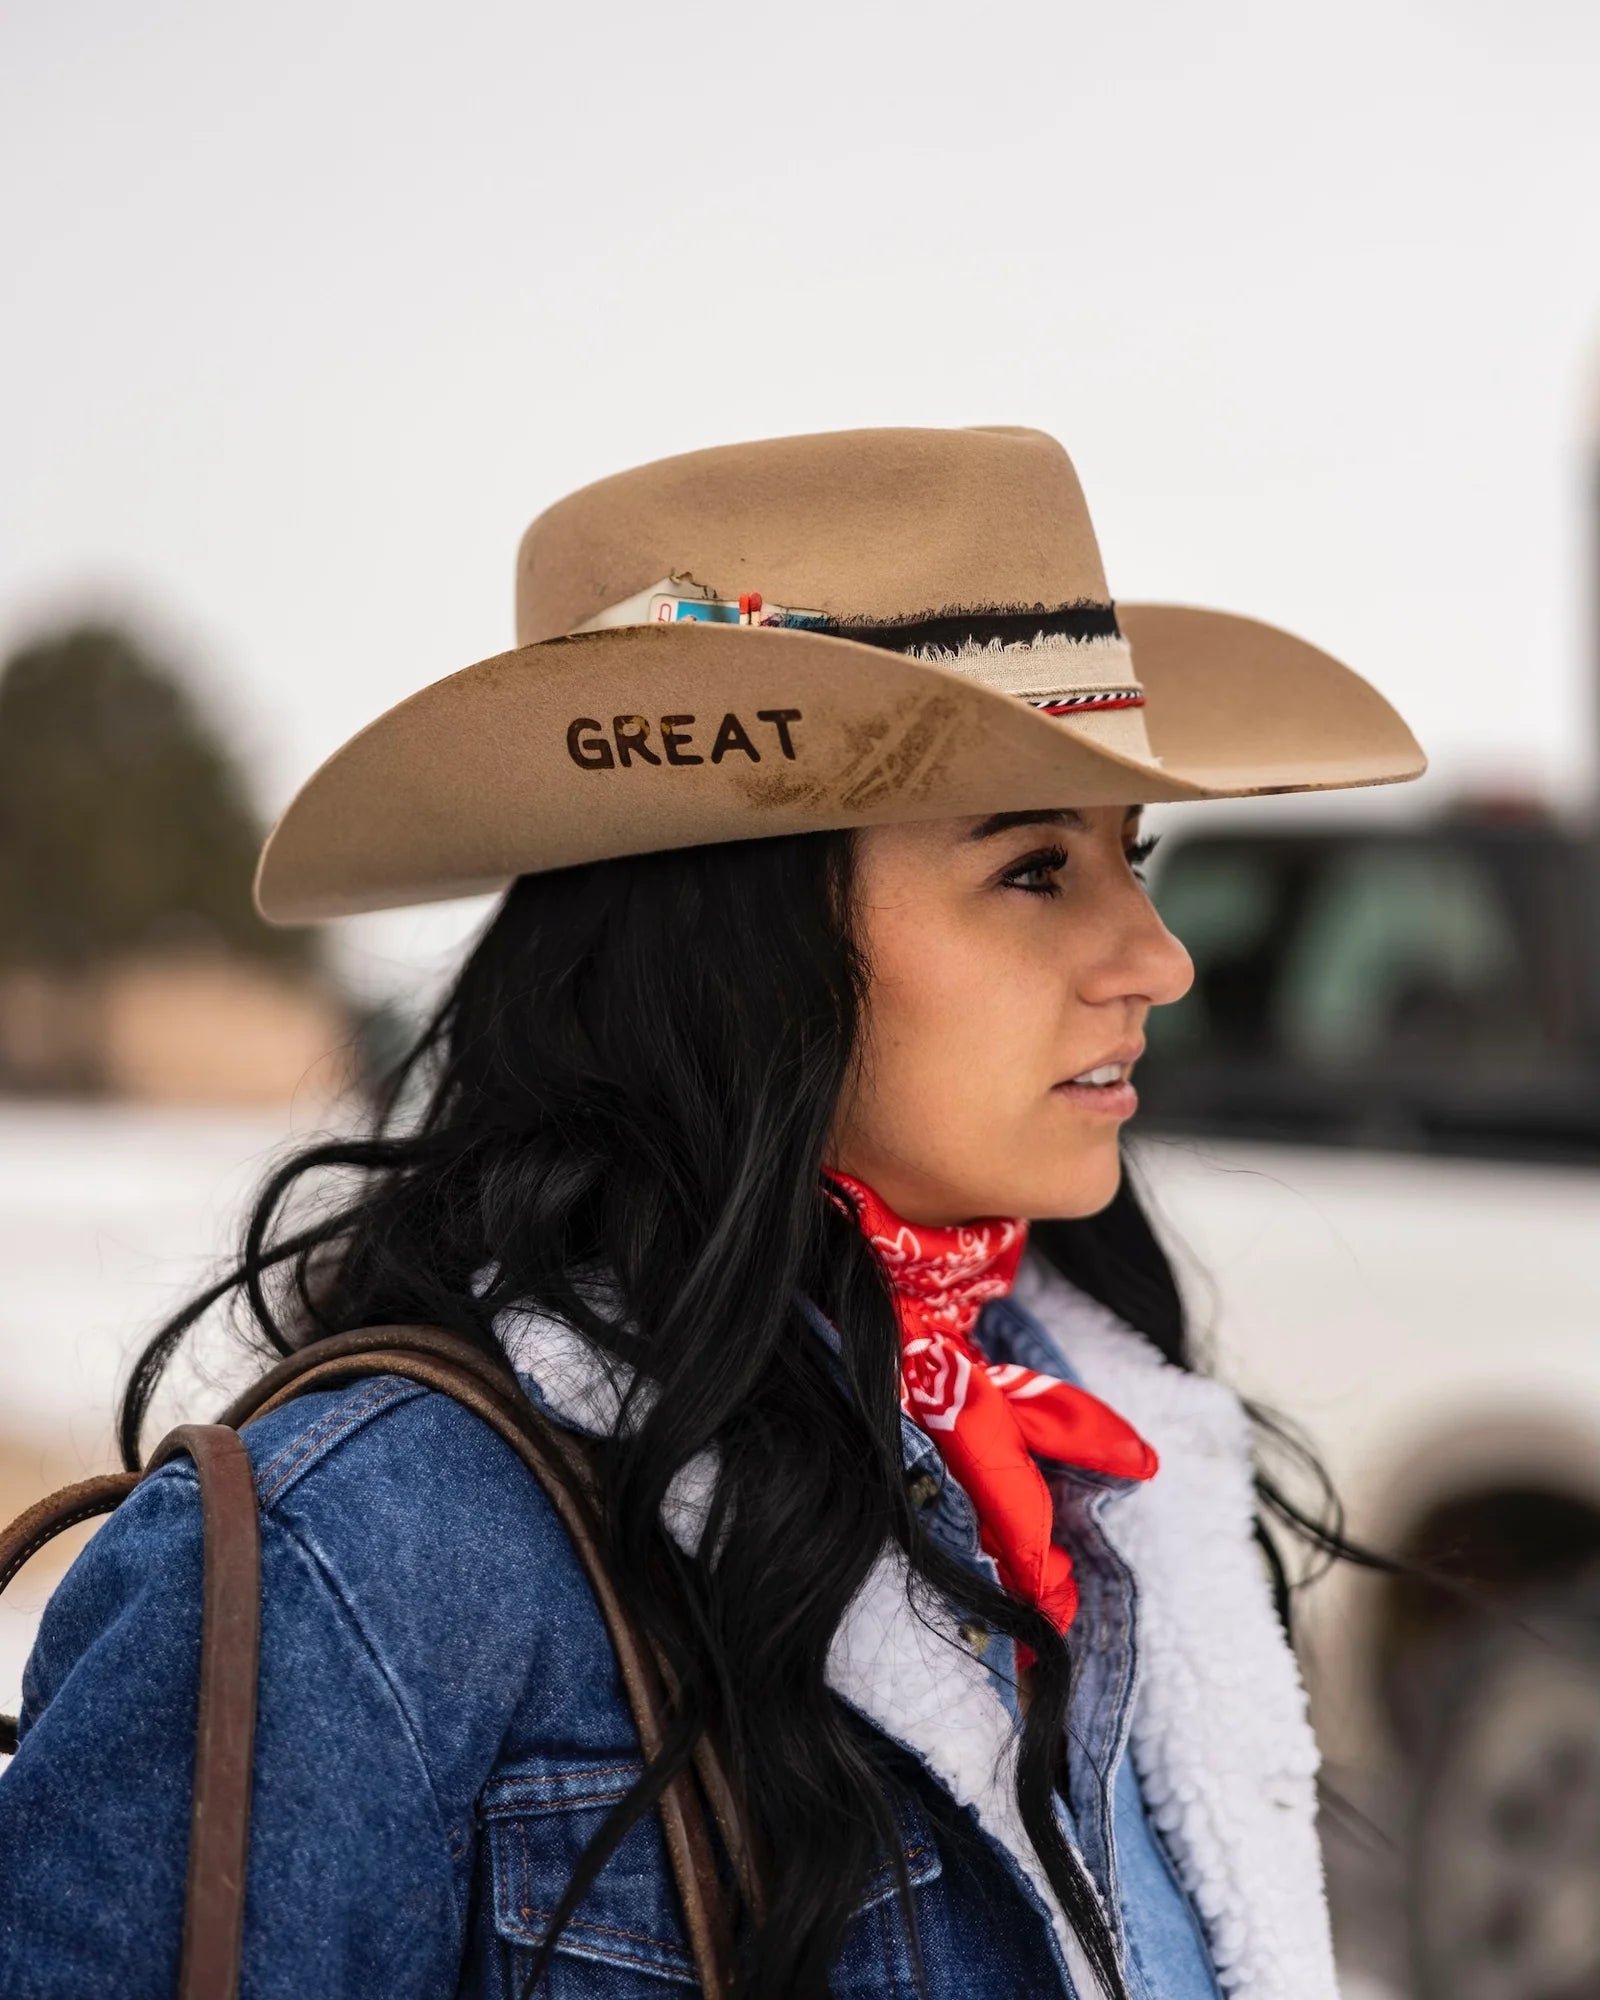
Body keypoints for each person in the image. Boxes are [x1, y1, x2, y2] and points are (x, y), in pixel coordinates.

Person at [0, 425, 1426, 2000]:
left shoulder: (1091, 1442)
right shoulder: (368, 1565)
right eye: (1036, 868)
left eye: (1131, 857)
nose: (1156, 957)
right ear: (742, 949)